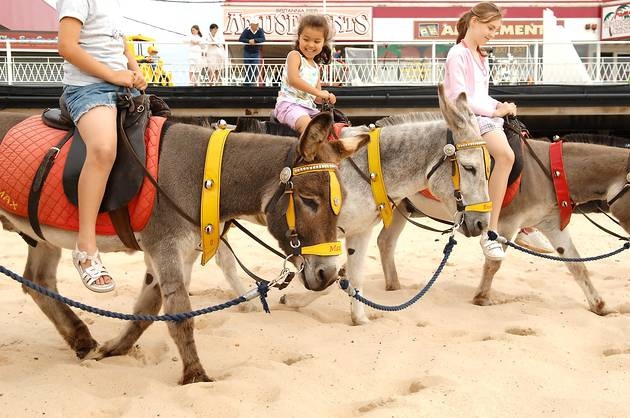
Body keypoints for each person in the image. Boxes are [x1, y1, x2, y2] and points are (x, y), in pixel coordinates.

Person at [444, 2, 553, 260]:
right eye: (490, 27)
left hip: (483, 115)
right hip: (467, 119)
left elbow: (480, 95)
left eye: (496, 29)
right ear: (474, 22)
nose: (493, 33)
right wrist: (494, 112)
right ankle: (490, 233)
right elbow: (458, 97)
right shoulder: (457, 54)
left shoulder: (479, 55)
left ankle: (524, 224)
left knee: (523, 147)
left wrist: (499, 105)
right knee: (505, 156)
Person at [57, 0, 147, 292]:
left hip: (123, 87)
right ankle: (85, 247)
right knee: (103, 150)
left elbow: (121, 43)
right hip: (87, 88)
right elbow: (67, 47)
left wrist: (135, 70)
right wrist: (112, 75)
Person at [272, 14, 335, 134]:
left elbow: (317, 99)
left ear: (323, 43)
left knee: (330, 127)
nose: (311, 45)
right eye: (306, 39)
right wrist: (318, 92)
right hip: (288, 105)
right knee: (310, 128)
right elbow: (293, 80)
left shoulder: (316, 68)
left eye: (317, 41)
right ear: (299, 38)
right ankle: (304, 153)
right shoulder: (295, 56)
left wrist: (327, 97)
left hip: (308, 109)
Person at [238, 17, 265, 86]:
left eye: (257, 24)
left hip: (256, 52)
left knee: (255, 69)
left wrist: (255, 40)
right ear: (251, 24)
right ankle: (248, 84)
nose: (256, 26)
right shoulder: (247, 30)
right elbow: (241, 39)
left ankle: (247, 84)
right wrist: (248, 41)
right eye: (254, 24)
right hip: (247, 52)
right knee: (248, 68)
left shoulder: (260, 30)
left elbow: (263, 39)